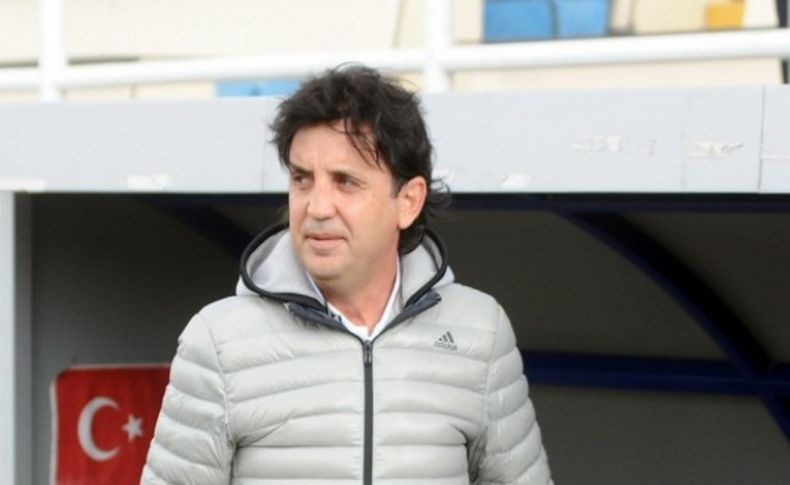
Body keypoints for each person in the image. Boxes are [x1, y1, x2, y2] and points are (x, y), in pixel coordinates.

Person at [141, 65, 552, 484]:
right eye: (302, 179)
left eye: (345, 182)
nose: (317, 207)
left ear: (408, 202)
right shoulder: (217, 342)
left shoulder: (481, 333)